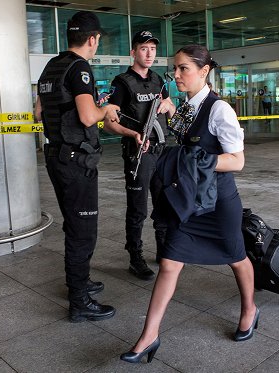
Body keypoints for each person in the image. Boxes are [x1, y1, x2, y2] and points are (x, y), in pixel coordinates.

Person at [120, 45, 258, 363]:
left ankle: (250, 308)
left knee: (236, 258)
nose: (177, 75)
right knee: (169, 262)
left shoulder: (220, 109)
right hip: (190, 200)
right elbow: (183, 139)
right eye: (175, 69)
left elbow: (237, 161)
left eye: (183, 69)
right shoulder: (185, 107)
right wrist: (168, 114)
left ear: (203, 71)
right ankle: (149, 336)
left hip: (219, 202)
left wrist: (196, 160)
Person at [35, 11, 134, 323]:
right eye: (97, 39)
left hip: (56, 156)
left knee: (74, 224)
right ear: (93, 39)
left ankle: (78, 282)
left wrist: (89, 104)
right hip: (76, 161)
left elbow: (39, 112)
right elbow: (89, 118)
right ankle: (79, 301)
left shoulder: (52, 66)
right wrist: (106, 108)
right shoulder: (80, 67)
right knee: (84, 230)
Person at [104, 30, 176, 281]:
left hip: (161, 151)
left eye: (153, 49)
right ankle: (135, 256)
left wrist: (168, 106)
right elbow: (108, 122)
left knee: (163, 205)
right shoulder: (122, 83)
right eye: (144, 48)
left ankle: (164, 251)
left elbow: (171, 110)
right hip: (138, 153)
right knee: (137, 209)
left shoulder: (158, 80)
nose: (149, 53)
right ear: (133, 52)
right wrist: (131, 133)